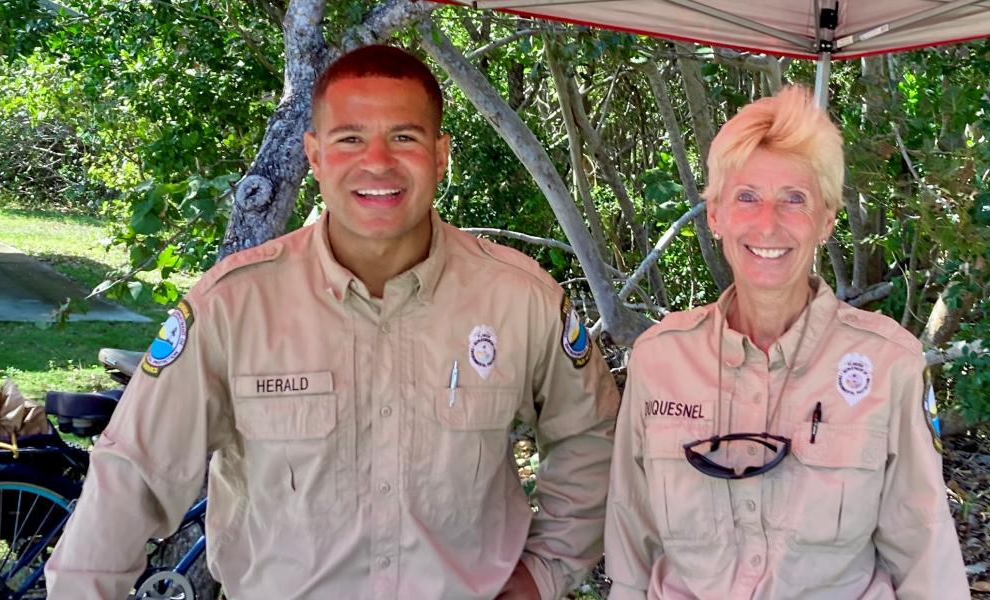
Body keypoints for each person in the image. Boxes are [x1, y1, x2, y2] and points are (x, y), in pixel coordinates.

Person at [45, 44, 620, 600]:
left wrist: (543, 572)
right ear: (314, 155)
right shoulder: (235, 305)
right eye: (350, 139)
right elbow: (132, 476)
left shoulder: (519, 298)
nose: (377, 161)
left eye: (404, 137)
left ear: (441, 155)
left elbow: (591, 437)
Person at [603, 86, 969, 599]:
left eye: (794, 198)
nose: (768, 222)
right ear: (715, 215)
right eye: (746, 196)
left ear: (826, 219)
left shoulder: (888, 363)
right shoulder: (660, 358)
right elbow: (630, 545)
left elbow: (927, 561)